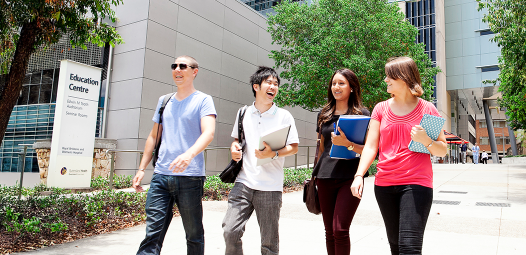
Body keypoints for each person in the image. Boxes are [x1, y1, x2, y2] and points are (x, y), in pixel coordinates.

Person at [350, 57, 448, 255]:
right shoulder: (381, 108)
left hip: (416, 183)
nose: (386, 80)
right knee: (395, 246)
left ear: (403, 77)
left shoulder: (427, 108)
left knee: (409, 247)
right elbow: (371, 146)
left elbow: (442, 150)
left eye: (389, 76)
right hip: (385, 184)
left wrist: (425, 140)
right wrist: (359, 175)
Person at [133, 56, 217, 255]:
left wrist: (189, 154)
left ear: (194, 71)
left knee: (194, 234)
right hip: (161, 176)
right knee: (152, 233)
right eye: (174, 66)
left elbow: (209, 133)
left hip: (190, 177)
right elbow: (153, 136)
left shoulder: (203, 100)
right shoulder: (164, 101)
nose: (177, 70)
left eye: (182, 66)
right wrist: (141, 169)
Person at [223, 66, 300, 255]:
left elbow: (294, 147)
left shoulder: (284, 116)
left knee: (269, 242)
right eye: (269, 82)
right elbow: (237, 141)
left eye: (276, 84)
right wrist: (234, 148)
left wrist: (272, 154)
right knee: (230, 231)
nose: (273, 86)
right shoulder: (243, 113)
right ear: (256, 86)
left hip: (270, 186)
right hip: (243, 181)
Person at [314, 69, 370, 255]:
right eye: (334, 83)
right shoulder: (324, 114)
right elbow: (322, 147)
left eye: (341, 83)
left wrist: (348, 144)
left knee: (340, 229)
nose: (336, 87)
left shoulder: (362, 114)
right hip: (325, 177)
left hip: (350, 177)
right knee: (329, 232)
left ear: (352, 87)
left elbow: (370, 150)